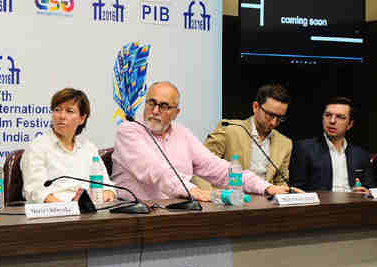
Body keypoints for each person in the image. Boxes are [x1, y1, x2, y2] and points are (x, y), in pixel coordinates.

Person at [112, 81, 292, 201]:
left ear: (176, 113)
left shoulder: (182, 134)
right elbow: (155, 171)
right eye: (151, 103)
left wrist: (266, 187)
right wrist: (194, 191)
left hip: (180, 215)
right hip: (136, 217)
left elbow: (218, 169)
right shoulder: (128, 131)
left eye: (164, 106)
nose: (156, 110)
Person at [21, 88, 116, 203]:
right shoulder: (38, 147)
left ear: (82, 118)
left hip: (88, 213)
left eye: (69, 111)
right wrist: (68, 208)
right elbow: (36, 191)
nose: (61, 116)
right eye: (57, 110)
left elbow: (107, 186)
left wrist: (106, 194)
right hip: (53, 214)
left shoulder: (88, 148)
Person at [196, 84, 292, 190]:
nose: (274, 122)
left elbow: (281, 182)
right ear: (255, 107)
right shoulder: (229, 129)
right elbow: (200, 166)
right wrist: (210, 196)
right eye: (270, 115)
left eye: (279, 118)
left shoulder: (285, 143)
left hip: (266, 202)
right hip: (231, 200)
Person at [290, 97, 375, 193]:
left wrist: (366, 192)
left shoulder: (361, 154)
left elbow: (371, 189)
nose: (332, 121)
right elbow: (296, 189)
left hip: (354, 206)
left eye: (340, 117)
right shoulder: (304, 148)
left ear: (350, 124)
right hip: (321, 206)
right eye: (328, 115)